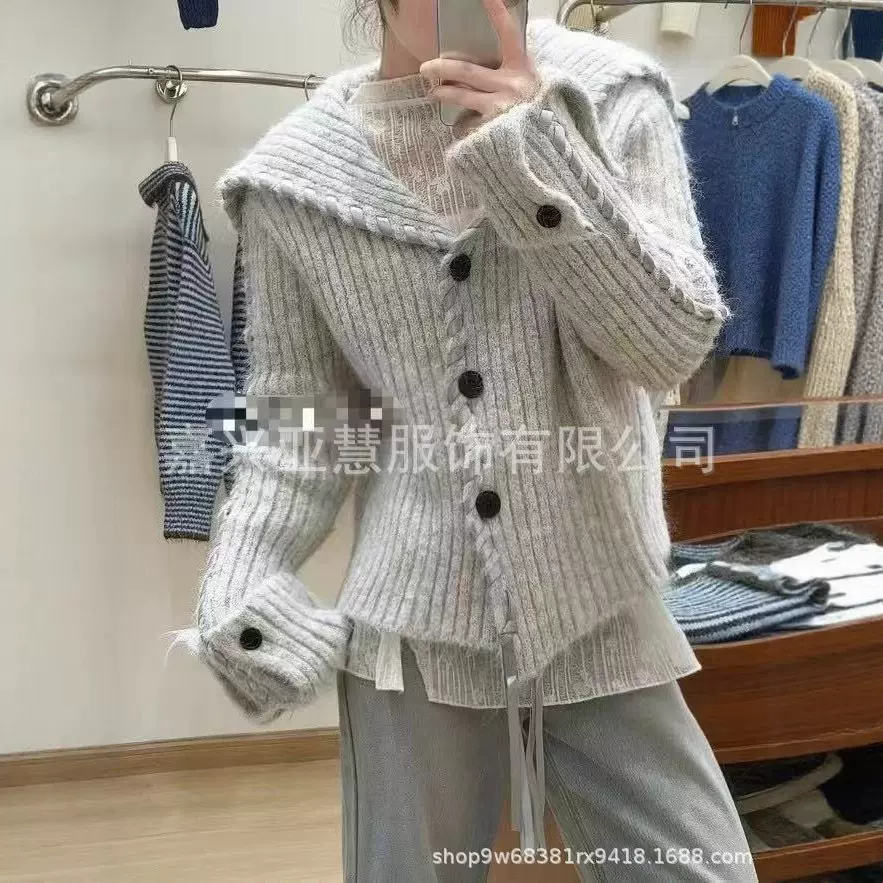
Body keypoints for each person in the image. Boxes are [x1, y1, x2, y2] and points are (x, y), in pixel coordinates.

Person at [179, 0, 758, 879]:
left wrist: (536, 156)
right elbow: (304, 427)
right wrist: (240, 571)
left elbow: (668, 344)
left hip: (601, 593)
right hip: (412, 620)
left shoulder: (608, 97)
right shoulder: (292, 177)